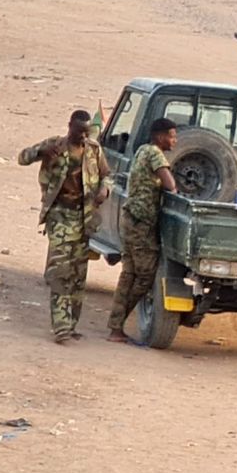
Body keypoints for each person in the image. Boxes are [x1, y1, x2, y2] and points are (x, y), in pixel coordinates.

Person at [18, 110, 111, 344]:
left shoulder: (94, 150)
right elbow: (22, 157)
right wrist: (41, 152)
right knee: (60, 271)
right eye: (79, 130)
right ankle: (60, 327)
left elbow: (108, 175)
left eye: (86, 131)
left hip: (85, 219)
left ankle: (71, 324)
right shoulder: (54, 145)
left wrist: (104, 189)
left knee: (78, 275)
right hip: (60, 216)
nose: (82, 135)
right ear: (69, 126)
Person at [107, 118, 178, 343]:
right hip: (141, 223)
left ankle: (115, 327)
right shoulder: (155, 153)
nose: (174, 140)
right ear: (159, 136)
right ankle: (117, 324)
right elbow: (170, 185)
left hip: (131, 219)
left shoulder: (141, 150)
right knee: (145, 275)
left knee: (129, 274)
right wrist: (176, 189)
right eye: (171, 135)